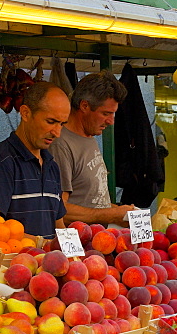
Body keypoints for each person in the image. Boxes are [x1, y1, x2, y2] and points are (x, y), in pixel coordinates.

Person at [0, 82, 70, 239]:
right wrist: (44, 246)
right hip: (13, 262)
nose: (57, 133)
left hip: (49, 262)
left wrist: (75, 254)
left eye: (62, 124)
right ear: (25, 113)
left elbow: (58, 224)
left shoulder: (51, 166)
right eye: (51, 122)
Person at [50, 71, 135, 226]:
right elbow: (58, 209)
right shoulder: (60, 145)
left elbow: (91, 202)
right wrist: (111, 215)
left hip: (99, 242)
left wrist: (122, 213)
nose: (111, 121)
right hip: (77, 245)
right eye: (106, 113)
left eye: (113, 114)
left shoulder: (89, 137)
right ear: (84, 105)